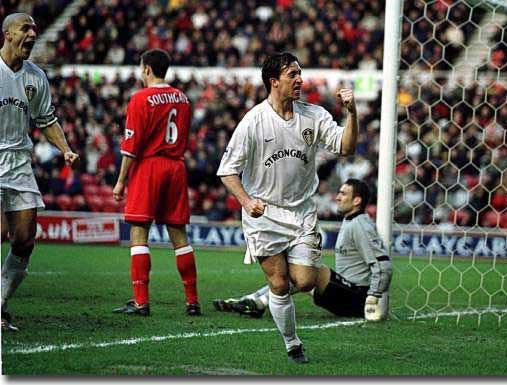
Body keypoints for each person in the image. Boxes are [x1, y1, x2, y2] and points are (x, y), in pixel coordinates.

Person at [216, 52, 358, 364]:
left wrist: (352, 113)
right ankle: (293, 344)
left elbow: (346, 147)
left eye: (299, 73)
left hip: (302, 211)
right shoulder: (253, 121)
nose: (299, 80)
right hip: (264, 213)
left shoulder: (313, 115)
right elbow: (228, 170)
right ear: (274, 81)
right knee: (279, 283)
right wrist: (247, 201)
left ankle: (260, 302)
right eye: (292, 74)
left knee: (305, 280)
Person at [214, 178, 393, 321]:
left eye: (343, 193)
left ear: (357, 200)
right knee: (300, 271)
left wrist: (373, 298)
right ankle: (252, 300)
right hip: (346, 292)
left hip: (358, 297)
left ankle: (257, 303)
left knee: (314, 269)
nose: (337, 197)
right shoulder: (350, 221)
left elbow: (383, 265)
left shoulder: (361, 225)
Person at [0, 13, 80, 331]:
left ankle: (1, 303)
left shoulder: (36, 77)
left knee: (24, 241)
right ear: (7, 33)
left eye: (35, 29)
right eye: (25, 28)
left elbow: (46, 119)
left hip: (19, 162)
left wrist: (65, 149)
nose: (32, 34)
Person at [112, 49, 201, 317]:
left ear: (147, 69)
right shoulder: (183, 99)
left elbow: (131, 146)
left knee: (139, 234)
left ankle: (141, 302)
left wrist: (120, 182)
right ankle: (192, 301)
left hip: (149, 166)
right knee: (180, 237)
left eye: (141, 68)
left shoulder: (140, 98)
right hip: (176, 167)